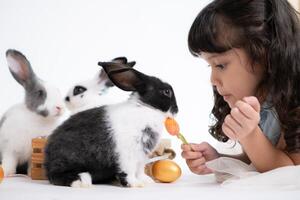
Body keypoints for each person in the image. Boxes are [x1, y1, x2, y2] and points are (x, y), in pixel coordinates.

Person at [181, 0, 300, 174]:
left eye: (220, 65)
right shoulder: (263, 102)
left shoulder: (294, 105)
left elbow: (289, 173)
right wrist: (218, 160)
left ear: (262, 53)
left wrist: (250, 135)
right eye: (210, 66)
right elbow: (257, 160)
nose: (213, 80)